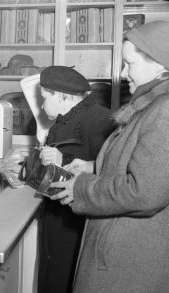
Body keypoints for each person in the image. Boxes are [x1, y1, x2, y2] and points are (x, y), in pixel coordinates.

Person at [50, 21, 169, 292]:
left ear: (160, 65)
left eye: (130, 63)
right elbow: (146, 166)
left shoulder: (164, 111)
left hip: (131, 258)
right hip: (122, 248)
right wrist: (94, 167)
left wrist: (81, 187)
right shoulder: (150, 105)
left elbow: (144, 193)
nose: (123, 73)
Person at [36, 66, 115, 293]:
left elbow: (110, 171)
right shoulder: (62, 121)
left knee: (66, 277)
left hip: (78, 222)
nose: (42, 106)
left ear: (63, 96)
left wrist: (64, 158)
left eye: (44, 99)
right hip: (57, 215)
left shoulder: (103, 121)